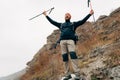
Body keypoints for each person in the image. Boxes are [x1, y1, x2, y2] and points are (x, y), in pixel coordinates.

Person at [43, 9, 94, 80]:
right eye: (65, 15)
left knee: (73, 55)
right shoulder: (61, 25)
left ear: (70, 17)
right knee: (65, 57)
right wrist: (46, 15)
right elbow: (52, 22)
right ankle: (67, 74)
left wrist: (90, 14)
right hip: (62, 42)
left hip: (70, 41)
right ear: (64, 17)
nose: (66, 15)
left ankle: (77, 73)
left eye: (68, 15)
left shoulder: (73, 24)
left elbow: (82, 21)